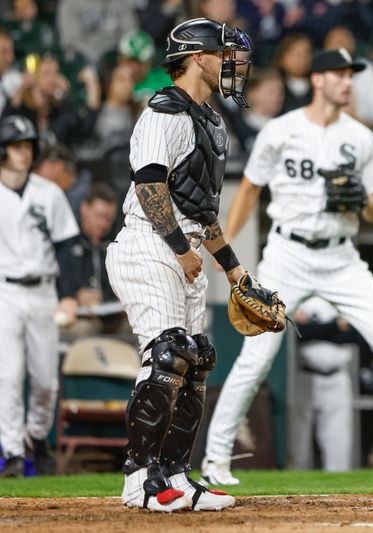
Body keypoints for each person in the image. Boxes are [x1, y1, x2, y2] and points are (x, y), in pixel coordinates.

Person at [201, 48, 373, 486]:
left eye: (351, 74)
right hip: (288, 255)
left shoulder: (360, 137)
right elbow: (248, 190)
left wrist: (363, 199)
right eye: (340, 74)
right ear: (318, 80)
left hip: (341, 257)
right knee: (257, 358)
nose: (348, 81)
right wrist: (224, 249)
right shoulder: (281, 130)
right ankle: (215, 459)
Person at [105, 18, 262, 512]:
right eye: (222, 54)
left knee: (196, 361)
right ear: (197, 57)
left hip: (185, 250)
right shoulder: (163, 111)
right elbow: (147, 185)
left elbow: (203, 213)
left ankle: (175, 475)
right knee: (168, 354)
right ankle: (140, 481)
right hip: (151, 246)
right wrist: (180, 248)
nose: (231, 64)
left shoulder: (211, 121)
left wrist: (235, 271)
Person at [0, 115, 80, 477]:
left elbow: (68, 247)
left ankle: (36, 436)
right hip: (5, 291)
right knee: (8, 374)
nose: (24, 153)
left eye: (28, 147)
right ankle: (13, 452)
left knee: (46, 379)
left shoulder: (48, 193)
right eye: (17, 146)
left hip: (45, 291)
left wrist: (69, 296)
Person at [291, 297, 360, 472]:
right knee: (298, 443)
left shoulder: (347, 298)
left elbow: (356, 335)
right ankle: (295, 492)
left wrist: (316, 330)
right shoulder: (303, 298)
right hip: (306, 375)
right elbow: (299, 333)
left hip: (338, 377)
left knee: (339, 442)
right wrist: (335, 327)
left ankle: (340, 492)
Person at [61, 183, 126, 337]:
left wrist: (105, 296)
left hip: (112, 316)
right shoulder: (67, 244)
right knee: (87, 329)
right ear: (84, 209)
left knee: (135, 328)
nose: (103, 224)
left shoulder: (116, 245)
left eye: (109, 219)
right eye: (99, 216)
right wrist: (74, 295)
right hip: (77, 316)